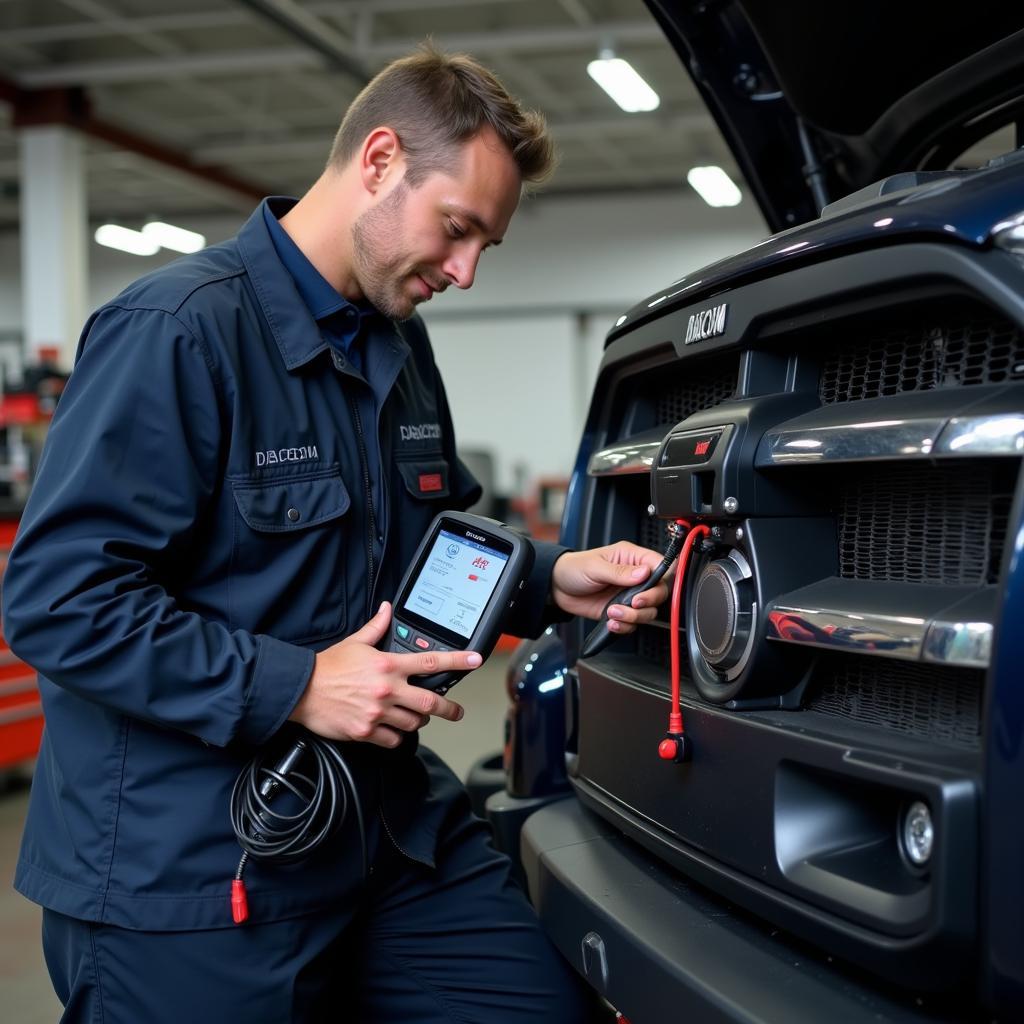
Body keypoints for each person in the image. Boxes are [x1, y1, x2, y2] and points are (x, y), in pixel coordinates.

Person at [3, 44, 669, 1023]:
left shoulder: (399, 344)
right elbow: (58, 601)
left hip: (387, 833)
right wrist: (301, 683)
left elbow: (421, 546)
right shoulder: (179, 332)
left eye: (486, 246)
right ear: (379, 159)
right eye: (456, 230)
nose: (466, 272)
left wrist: (546, 575)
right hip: (198, 869)